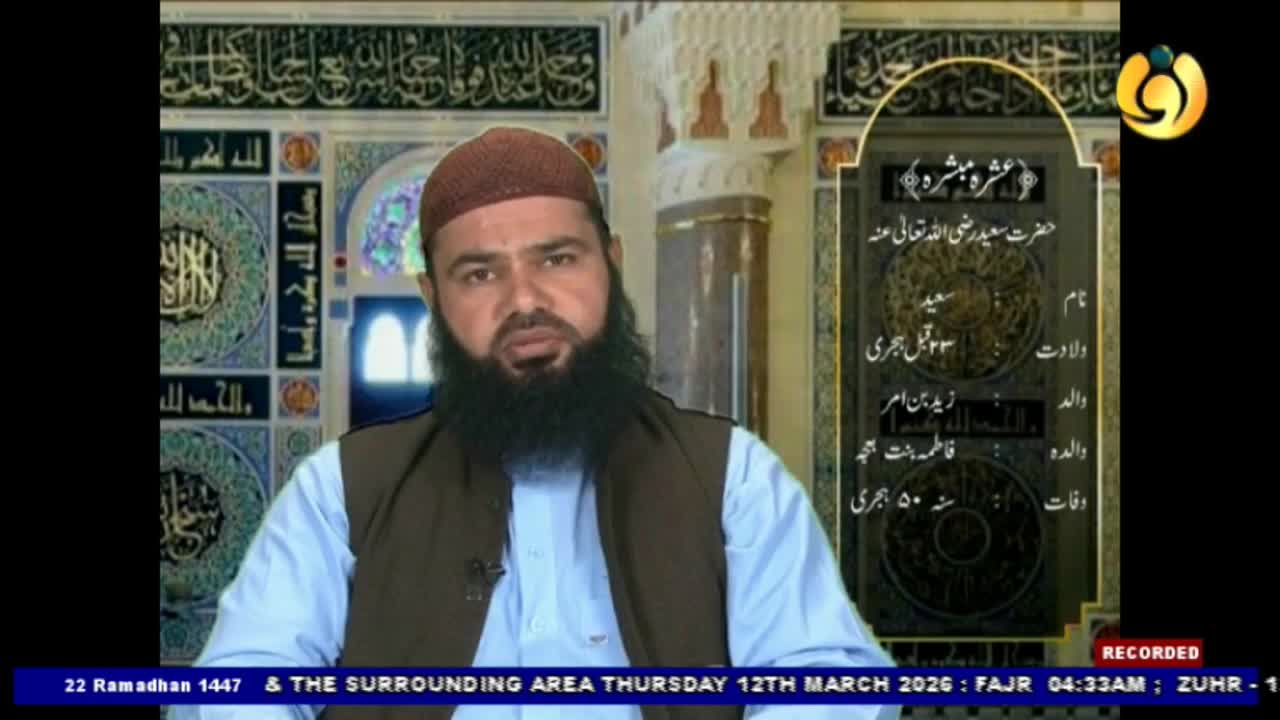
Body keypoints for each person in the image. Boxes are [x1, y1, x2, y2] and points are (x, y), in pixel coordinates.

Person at [170, 126, 898, 720]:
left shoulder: (733, 478)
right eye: (480, 273)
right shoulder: (342, 490)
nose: (525, 300)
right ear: (433, 296)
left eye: (557, 258)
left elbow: (826, 686)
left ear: (609, 264)